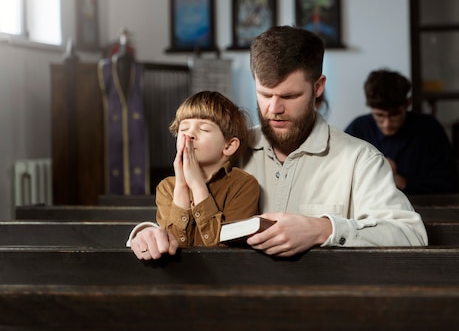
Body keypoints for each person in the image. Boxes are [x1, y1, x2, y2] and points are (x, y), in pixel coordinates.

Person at [128, 26, 427, 259]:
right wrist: (148, 233)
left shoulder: (359, 159)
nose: (274, 109)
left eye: (289, 96)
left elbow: (411, 234)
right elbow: (183, 214)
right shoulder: (226, 149)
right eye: (265, 94)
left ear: (318, 87)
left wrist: (323, 229)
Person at [127, 90, 260, 257]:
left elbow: (223, 252)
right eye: (183, 128)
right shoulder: (167, 187)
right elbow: (172, 249)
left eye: (204, 129)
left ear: (229, 145)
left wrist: (197, 185)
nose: (189, 134)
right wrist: (182, 186)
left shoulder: (243, 185)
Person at [345, 69, 459, 194]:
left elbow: (449, 182)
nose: (387, 124)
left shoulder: (428, 129)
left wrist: (403, 182)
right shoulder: (358, 129)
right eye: (379, 116)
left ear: (407, 103)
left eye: (394, 115)